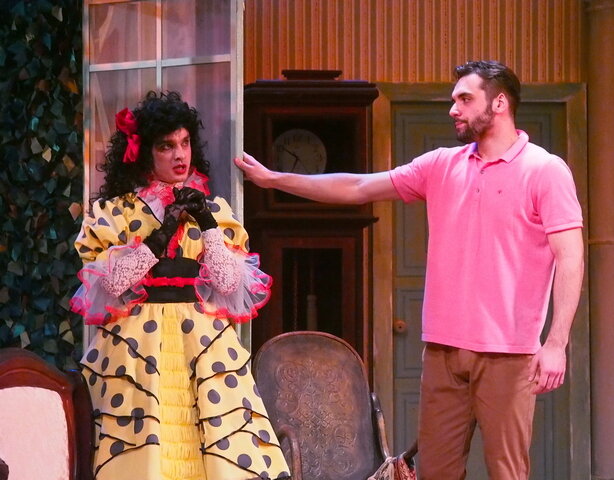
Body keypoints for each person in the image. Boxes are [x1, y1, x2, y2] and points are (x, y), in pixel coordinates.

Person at [234, 61, 584, 480]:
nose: (453, 109)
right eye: (454, 100)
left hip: (508, 353)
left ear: (500, 103)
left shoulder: (545, 170)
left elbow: (570, 257)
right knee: (435, 471)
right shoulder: (441, 165)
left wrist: (556, 342)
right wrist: (275, 179)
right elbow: (359, 186)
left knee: (507, 472)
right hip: (442, 351)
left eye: (465, 99)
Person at [71, 91, 291, 480]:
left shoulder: (214, 210)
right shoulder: (115, 212)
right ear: (145, 153)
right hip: (137, 346)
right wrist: (161, 234)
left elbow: (228, 283)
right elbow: (115, 282)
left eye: (185, 143)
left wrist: (206, 223)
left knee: (215, 441)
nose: (179, 155)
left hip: (202, 343)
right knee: (145, 445)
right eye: (166, 146)